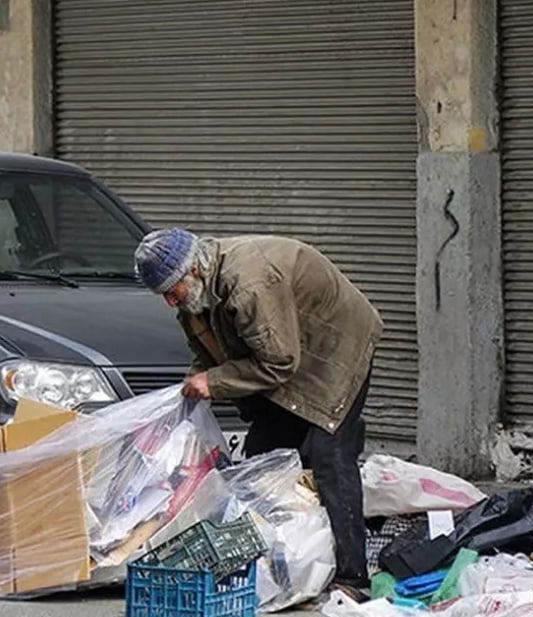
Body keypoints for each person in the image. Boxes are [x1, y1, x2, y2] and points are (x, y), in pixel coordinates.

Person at [134, 228, 382, 591]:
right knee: (262, 458)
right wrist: (192, 387)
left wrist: (214, 382)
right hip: (285, 351)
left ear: (195, 271)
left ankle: (352, 576)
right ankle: (279, 564)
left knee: (330, 455)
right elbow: (210, 356)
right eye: (164, 296)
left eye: (173, 291)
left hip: (334, 347)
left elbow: (280, 362)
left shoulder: (249, 283)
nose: (171, 302)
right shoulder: (194, 300)